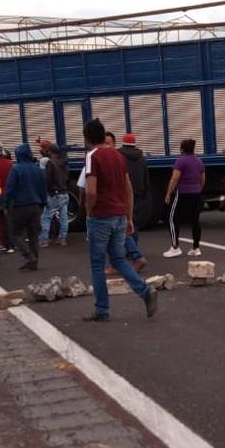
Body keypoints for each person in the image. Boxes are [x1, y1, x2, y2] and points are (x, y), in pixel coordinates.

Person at [81, 118, 158, 322]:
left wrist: (89, 212)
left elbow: (91, 191)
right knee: (119, 260)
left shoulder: (92, 156)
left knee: (97, 264)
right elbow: (128, 189)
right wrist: (129, 217)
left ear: (87, 138)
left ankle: (102, 309)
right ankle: (145, 291)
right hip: (120, 215)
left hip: (101, 216)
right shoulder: (117, 156)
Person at [2, 144, 47, 271]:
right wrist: (43, 202)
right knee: (33, 234)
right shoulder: (37, 169)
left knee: (15, 234)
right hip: (35, 206)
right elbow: (43, 187)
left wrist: (6, 204)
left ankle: (28, 256)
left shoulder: (16, 169)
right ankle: (35, 261)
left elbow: (10, 189)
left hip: (19, 207)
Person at [163, 138, 205, 258]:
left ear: (182, 149)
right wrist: (198, 189)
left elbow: (175, 178)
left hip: (182, 193)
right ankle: (196, 248)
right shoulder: (199, 162)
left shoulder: (180, 161)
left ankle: (175, 246)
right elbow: (202, 179)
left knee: (172, 218)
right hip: (195, 193)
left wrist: (168, 193)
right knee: (195, 221)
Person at [117, 134, 149, 271]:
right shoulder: (141, 158)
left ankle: (124, 251)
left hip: (123, 193)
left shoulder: (118, 156)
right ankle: (133, 249)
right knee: (134, 221)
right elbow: (145, 176)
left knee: (122, 223)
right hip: (138, 193)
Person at [40, 144, 70, 247]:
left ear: (51, 152)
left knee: (46, 217)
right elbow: (67, 178)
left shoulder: (50, 163)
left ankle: (44, 240)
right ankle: (63, 239)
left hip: (54, 194)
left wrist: (48, 192)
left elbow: (48, 180)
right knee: (63, 218)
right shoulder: (64, 163)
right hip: (64, 193)